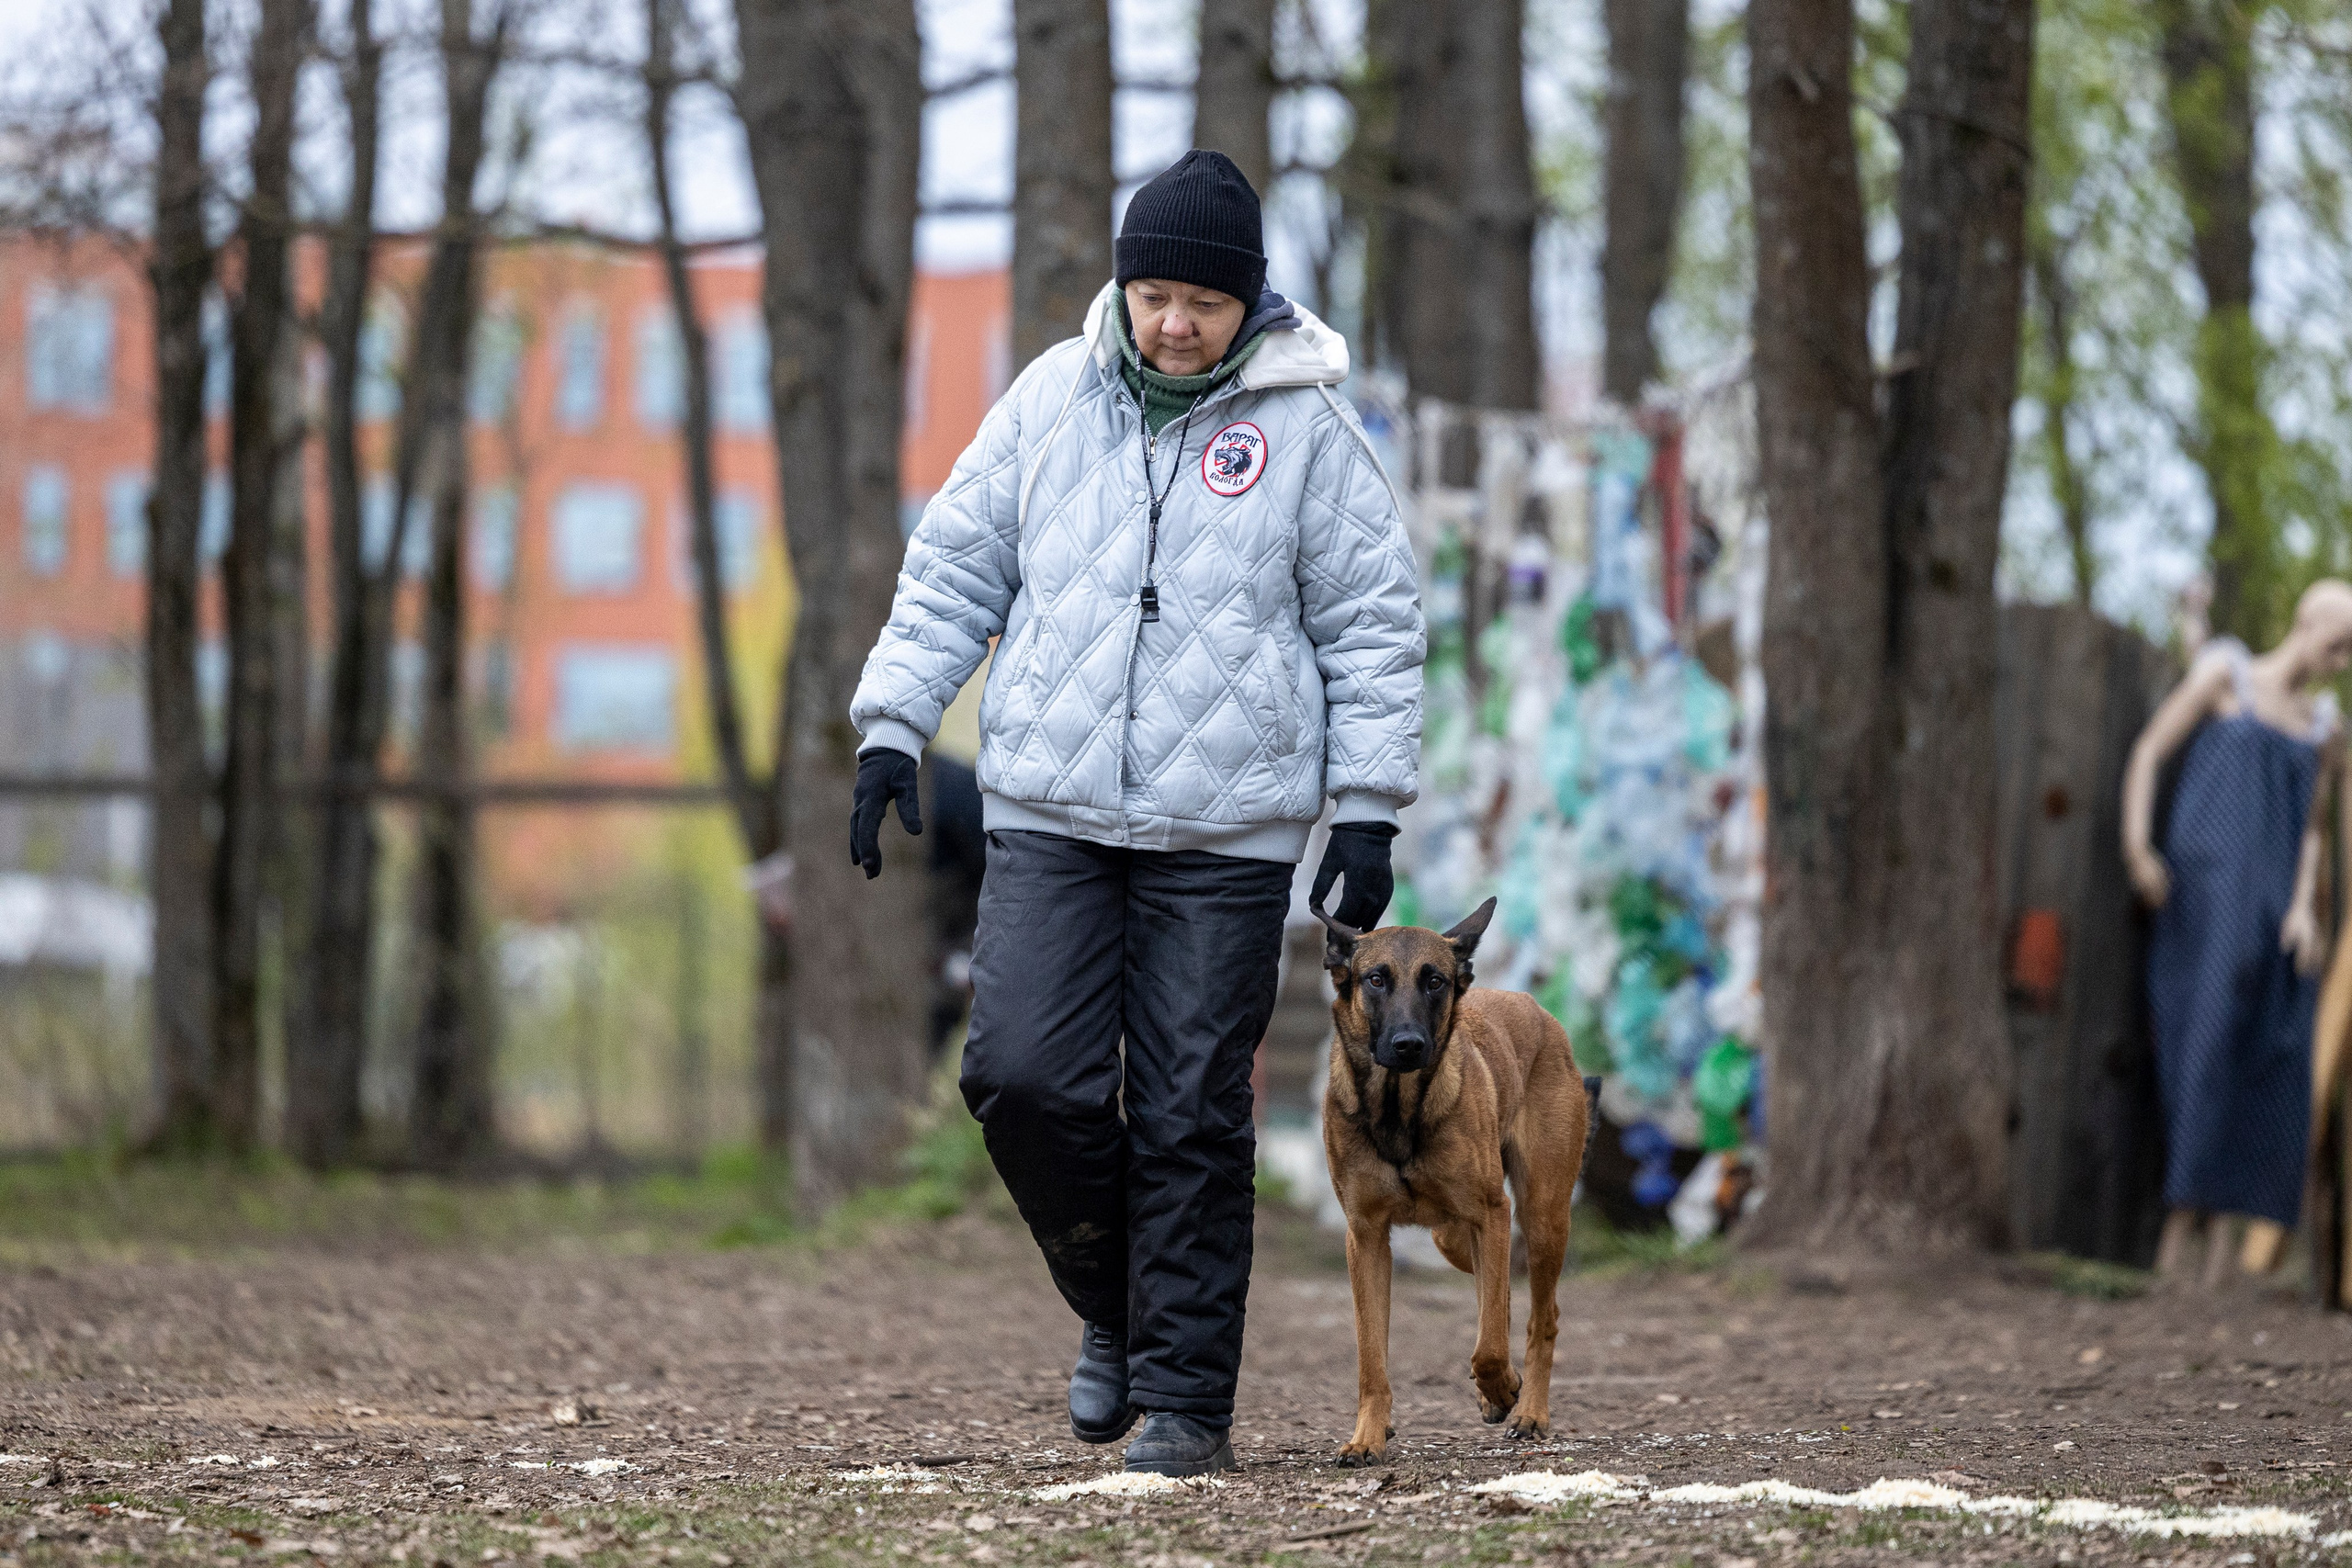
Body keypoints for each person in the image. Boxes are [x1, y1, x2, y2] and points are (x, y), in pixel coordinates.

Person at [846, 150, 1424, 1475]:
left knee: (1189, 1112)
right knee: (1018, 1077)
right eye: (1154, 292)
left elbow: (1375, 628)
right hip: (1050, 808)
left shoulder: (1307, 432)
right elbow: (953, 565)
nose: (1175, 322)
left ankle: (1182, 1404)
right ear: (1124, 286)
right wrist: (893, 722)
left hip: (1227, 836)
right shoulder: (1053, 398)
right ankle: (1111, 1302)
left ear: (1249, 303)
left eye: (1203, 302)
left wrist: (1366, 809)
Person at [2121, 579, 2352, 1284]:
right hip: (2206, 903)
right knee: (2202, 1051)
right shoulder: (2227, 675)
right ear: (2305, 622)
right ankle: (2172, 1248)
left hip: (2274, 922)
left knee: (2262, 1060)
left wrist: (2304, 908)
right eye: (2337, 642)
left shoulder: (2321, 724)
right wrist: (2138, 847)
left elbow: (2314, 826)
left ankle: (2219, 1265)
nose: (2340, 660)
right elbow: (2150, 750)